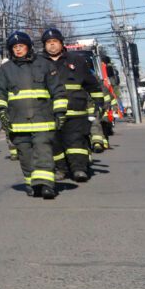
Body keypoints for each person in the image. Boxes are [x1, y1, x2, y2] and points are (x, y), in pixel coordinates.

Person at [0, 31, 66, 199]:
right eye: (15, 47)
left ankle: (47, 185)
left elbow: (58, 90)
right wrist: (2, 111)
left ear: (28, 47)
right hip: (17, 123)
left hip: (43, 120)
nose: (18, 50)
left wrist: (60, 112)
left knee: (43, 151)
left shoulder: (44, 65)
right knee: (25, 155)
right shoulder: (5, 69)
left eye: (21, 46)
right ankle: (33, 184)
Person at [40, 29, 102, 182]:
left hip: (75, 110)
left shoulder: (77, 61)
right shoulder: (39, 64)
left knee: (75, 141)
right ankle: (61, 169)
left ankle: (79, 169)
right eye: (48, 42)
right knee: (55, 143)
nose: (52, 45)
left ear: (62, 43)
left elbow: (92, 85)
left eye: (55, 42)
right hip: (49, 112)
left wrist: (99, 104)